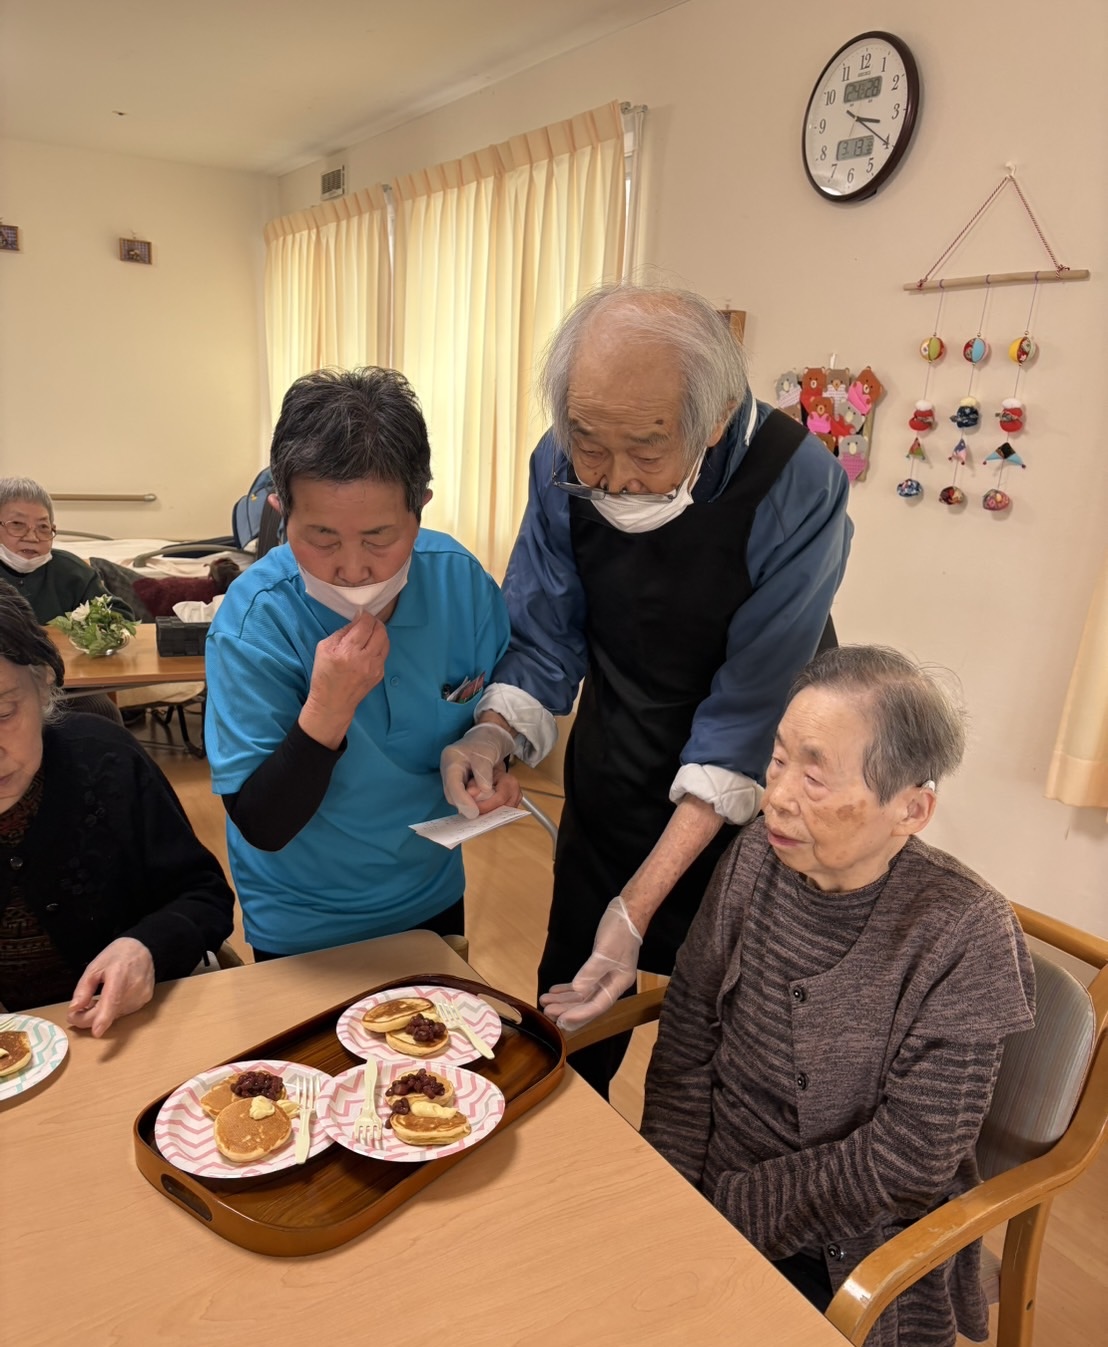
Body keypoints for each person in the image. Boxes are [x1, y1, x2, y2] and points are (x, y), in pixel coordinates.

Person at [439, 282, 852, 1090]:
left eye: (647, 449)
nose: (615, 478)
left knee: (725, 1034)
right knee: (567, 1025)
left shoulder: (797, 482)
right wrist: (492, 733)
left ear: (716, 418)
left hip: (756, 793)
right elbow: (545, 629)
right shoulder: (561, 458)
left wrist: (638, 906)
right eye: (591, 443)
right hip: (619, 760)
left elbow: (747, 712)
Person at [639, 646, 1035, 1347]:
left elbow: (910, 1159)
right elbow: (689, 1030)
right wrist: (667, 1190)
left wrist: (726, 1213)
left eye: (815, 776)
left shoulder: (964, 933)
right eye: (778, 760)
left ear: (911, 808)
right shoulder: (756, 855)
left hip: (851, 1245)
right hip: (703, 1193)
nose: (777, 796)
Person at [204, 367, 519, 959]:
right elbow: (263, 824)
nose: (352, 569)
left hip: (430, 893)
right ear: (280, 511)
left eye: (379, 538)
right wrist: (329, 706)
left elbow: (501, 700)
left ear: (420, 509)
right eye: (321, 538)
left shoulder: (460, 583)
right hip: (301, 919)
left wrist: (492, 752)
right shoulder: (255, 622)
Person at [0, 581, 235, 1031]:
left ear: (43, 684)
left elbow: (204, 896)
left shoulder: (104, 760)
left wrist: (146, 947)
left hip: (135, 1030)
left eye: (4, 713)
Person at [0, 475, 131, 722]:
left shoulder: (70, 570)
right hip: (3, 686)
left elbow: (120, 615)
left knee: (103, 714)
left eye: (43, 527)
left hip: (65, 685)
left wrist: (92, 632)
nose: (32, 537)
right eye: (17, 524)